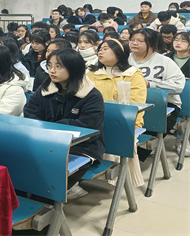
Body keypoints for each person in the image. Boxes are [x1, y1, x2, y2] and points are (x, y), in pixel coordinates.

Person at [24, 49, 105, 197]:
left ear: (73, 68)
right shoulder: (45, 89)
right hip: (44, 141)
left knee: (49, 172)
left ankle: (48, 201)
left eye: (58, 66)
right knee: (18, 159)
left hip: (81, 146)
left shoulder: (91, 95)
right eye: (49, 65)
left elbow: (88, 127)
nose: (52, 70)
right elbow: (30, 113)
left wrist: (51, 128)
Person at [87, 38, 147, 185]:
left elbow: (136, 105)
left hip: (125, 122)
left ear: (119, 53)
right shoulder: (92, 74)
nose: (100, 52)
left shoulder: (133, 74)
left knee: (115, 134)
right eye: (100, 49)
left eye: (105, 48)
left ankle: (114, 175)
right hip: (96, 121)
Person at [128, 29, 185, 137]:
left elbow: (178, 86)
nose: (134, 43)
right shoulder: (124, 60)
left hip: (162, 106)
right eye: (132, 40)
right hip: (131, 104)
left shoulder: (165, 61)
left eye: (140, 41)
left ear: (152, 43)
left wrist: (150, 85)